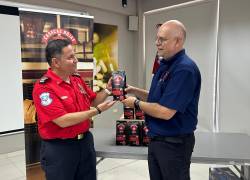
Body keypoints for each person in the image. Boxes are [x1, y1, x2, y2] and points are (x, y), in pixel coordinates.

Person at [122, 20, 201, 180]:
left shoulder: (184, 69)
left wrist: (136, 103)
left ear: (177, 41)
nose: (157, 43)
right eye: (157, 38)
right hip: (157, 140)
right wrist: (134, 91)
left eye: (162, 39)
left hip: (173, 144)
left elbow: (165, 112)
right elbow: (157, 98)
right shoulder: (165, 64)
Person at [32, 39, 115, 180]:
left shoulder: (76, 79)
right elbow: (62, 120)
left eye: (74, 56)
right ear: (56, 62)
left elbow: (93, 101)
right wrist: (97, 111)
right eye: (70, 57)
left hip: (85, 143)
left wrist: (107, 90)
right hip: (60, 149)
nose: (76, 60)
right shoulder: (44, 87)